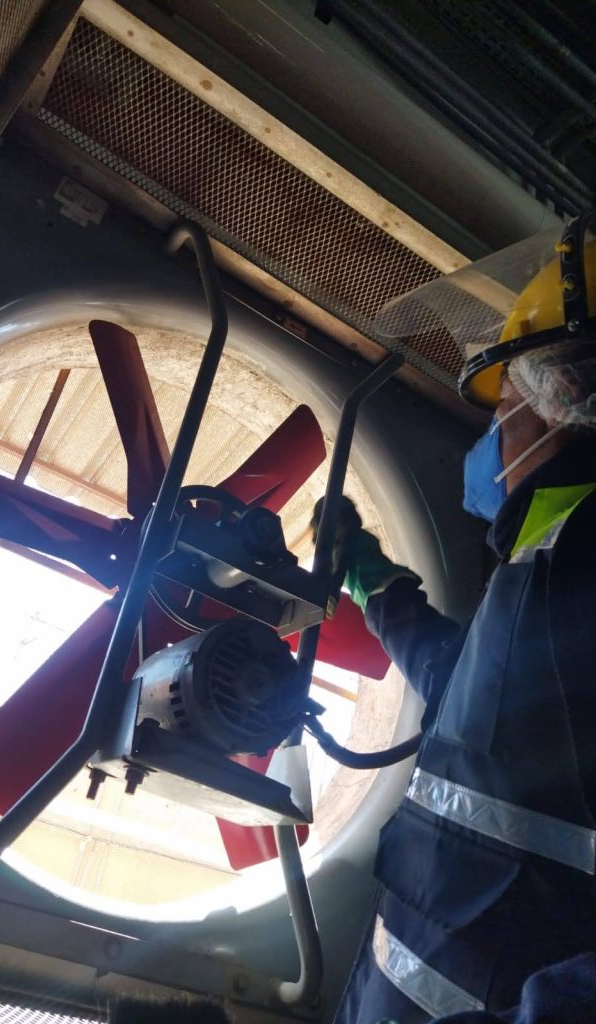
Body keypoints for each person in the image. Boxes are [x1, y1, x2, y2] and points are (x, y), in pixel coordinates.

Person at [326, 211, 596, 1024]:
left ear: (562, 399)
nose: (494, 434)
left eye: (502, 404)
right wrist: (372, 580)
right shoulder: (547, 561)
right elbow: (475, 705)